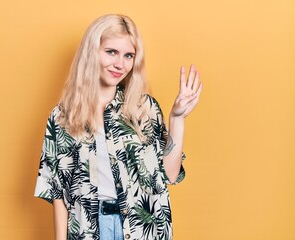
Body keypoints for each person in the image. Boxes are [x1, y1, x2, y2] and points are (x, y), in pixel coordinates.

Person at [34, 14, 202, 240]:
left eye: (128, 55)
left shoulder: (144, 109)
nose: (119, 64)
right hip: (89, 229)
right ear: (92, 52)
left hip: (141, 228)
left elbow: (170, 175)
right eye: (111, 52)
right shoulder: (62, 117)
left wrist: (177, 119)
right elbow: (57, 190)